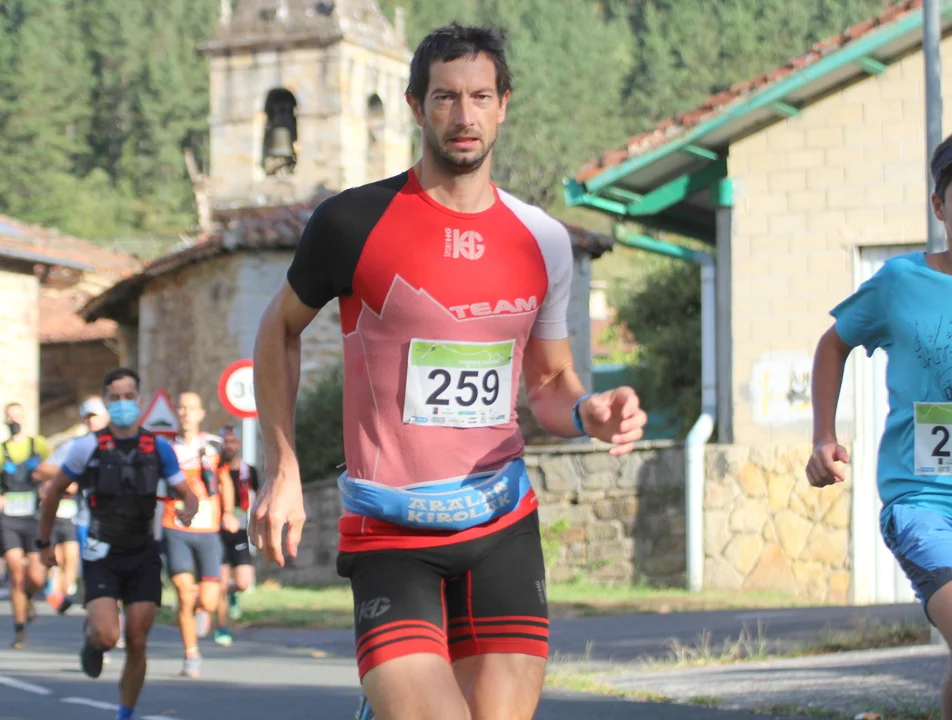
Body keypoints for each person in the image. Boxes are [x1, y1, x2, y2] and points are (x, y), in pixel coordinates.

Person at [249, 23, 647, 720]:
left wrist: (589, 412)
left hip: (501, 525)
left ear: (503, 105)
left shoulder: (543, 240)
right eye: (445, 98)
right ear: (415, 106)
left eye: (480, 97)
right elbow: (278, 329)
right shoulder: (353, 222)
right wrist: (282, 469)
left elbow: (548, 384)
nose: (464, 116)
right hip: (391, 530)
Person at [807, 133, 952, 720]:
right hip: (922, 501)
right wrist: (823, 435)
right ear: (940, 205)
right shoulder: (899, 282)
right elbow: (833, 344)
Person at [36, 367, 198, 720]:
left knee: (137, 640)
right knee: (109, 636)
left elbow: (187, 492)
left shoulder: (159, 448)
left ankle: (125, 713)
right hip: (102, 552)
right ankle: (93, 639)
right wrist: (44, 542)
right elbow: (53, 494)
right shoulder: (86, 447)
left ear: (139, 400)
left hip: (143, 553)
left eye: (129, 397)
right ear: (107, 402)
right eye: (115, 398)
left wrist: (189, 508)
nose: (123, 403)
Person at [161, 392, 236, 677]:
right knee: (183, 593)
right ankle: (191, 655)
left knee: (208, 600)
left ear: (201, 413)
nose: (185, 413)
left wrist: (228, 513)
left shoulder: (213, 445)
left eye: (191, 408)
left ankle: (201, 606)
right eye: (181, 408)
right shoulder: (166, 448)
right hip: (175, 525)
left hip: (207, 529)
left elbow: (225, 480)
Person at [35, 396, 111, 616]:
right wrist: (71, 475)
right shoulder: (77, 446)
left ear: (106, 416)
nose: (91, 421)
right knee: (96, 575)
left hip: (121, 522)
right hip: (87, 520)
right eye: (87, 417)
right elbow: (41, 470)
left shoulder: (122, 443)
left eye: (95, 416)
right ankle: (95, 617)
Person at [1, 401, 51, 648]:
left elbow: (54, 471)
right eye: (10, 417)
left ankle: (29, 597)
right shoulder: (2, 450)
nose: (14, 421)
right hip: (9, 518)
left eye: (17, 416)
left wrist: (46, 486)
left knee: (36, 577)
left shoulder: (38, 444)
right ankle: (20, 629)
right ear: (5, 420)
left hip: (33, 518)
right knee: (15, 573)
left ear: (24, 418)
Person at [214, 425, 258, 647]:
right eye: (225, 442)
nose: (229, 446)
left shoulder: (248, 470)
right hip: (215, 531)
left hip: (239, 530)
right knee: (220, 584)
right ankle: (222, 627)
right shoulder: (213, 468)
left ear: (239, 444)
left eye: (232, 442)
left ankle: (233, 594)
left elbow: (259, 495)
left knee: (242, 582)